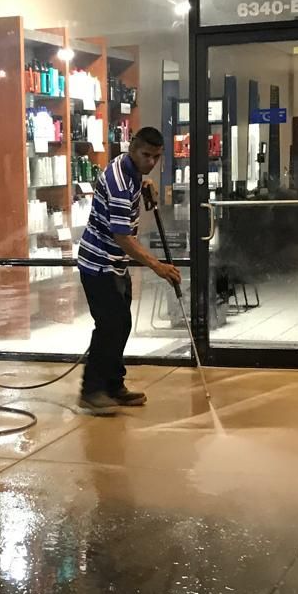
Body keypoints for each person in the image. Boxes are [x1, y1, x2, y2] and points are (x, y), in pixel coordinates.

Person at [76, 126, 180, 416]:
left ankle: (113, 385)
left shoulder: (129, 168)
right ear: (133, 147)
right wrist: (157, 266)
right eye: (146, 155)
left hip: (114, 263)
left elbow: (136, 184)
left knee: (120, 324)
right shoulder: (120, 182)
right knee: (110, 325)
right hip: (99, 264)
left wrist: (145, 183)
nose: (151, 162)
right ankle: (91, 391)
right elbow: (123, 236)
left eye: (157, 157)